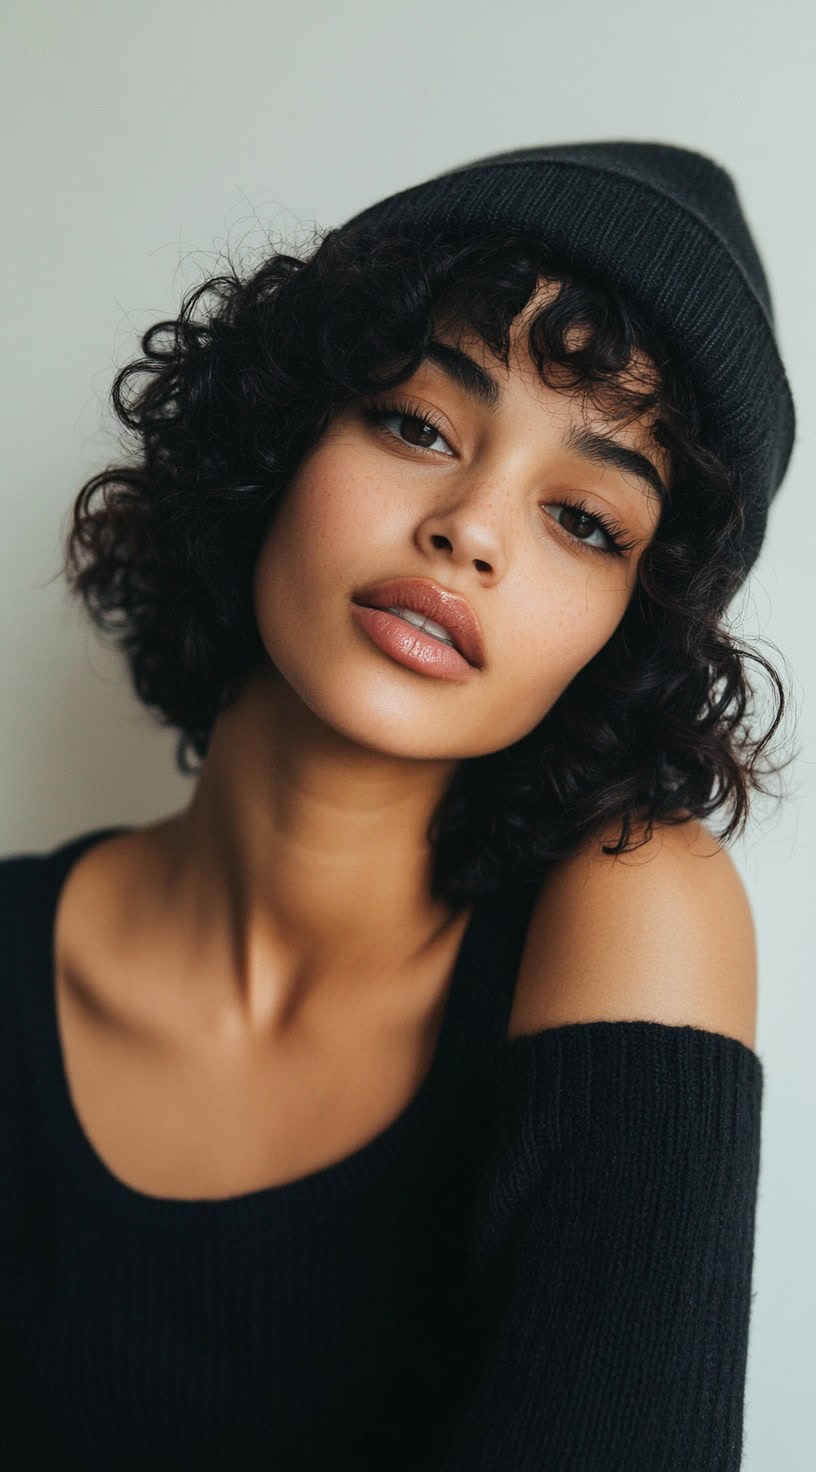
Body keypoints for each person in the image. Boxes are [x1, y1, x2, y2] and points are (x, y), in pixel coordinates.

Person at [0, 141, 796, 1470]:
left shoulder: (633, 905)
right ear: (279, 435)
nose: (472, 529)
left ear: (628, 630)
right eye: (419, 424)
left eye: (586, 521)